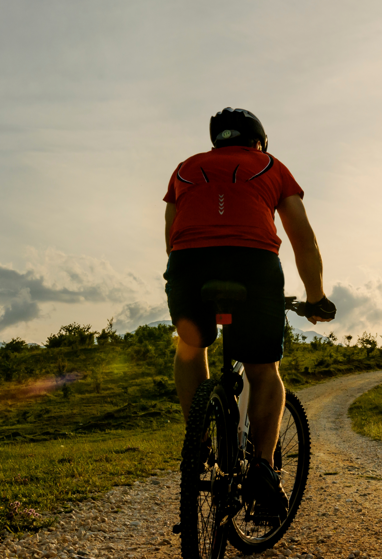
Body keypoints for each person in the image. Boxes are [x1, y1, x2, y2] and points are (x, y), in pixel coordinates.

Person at [163, 107, 336, 514]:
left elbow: (172, 233)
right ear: (259, 140)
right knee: (262, 369)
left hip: (189, 264)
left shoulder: (185, 169)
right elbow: (303, 238)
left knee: (191, 345)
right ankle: (262, 468)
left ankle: (198, 440)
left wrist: (186, 274)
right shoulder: (271, 166)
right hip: (253, 262)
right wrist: (315, 296)